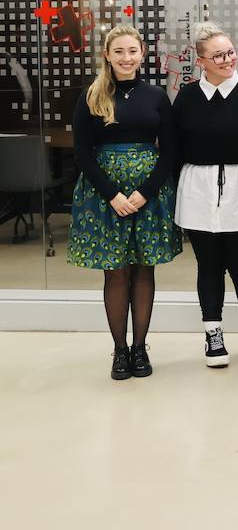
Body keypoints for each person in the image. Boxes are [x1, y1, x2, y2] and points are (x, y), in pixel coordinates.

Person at [69, 25, 181, 380]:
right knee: (116, 272)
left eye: (132, 51)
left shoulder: (157, 96)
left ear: (142, 54)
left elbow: (172, 150)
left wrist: (146, 191)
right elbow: (82, 153)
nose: (126, 58)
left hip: (148, 194)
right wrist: (112, 195)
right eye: (119, 51)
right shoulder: (92, 94)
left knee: (144, 268)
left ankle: (139, 348)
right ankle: (119, 351)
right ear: (107, 55)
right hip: (105, 196)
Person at [172, 23, 238, 368]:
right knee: (208, 266)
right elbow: (174, 148)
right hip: (198, 188)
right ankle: (213, 334)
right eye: (218, 55)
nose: (228, 60)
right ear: (200, 62)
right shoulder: (187, 97)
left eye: (231, 52)